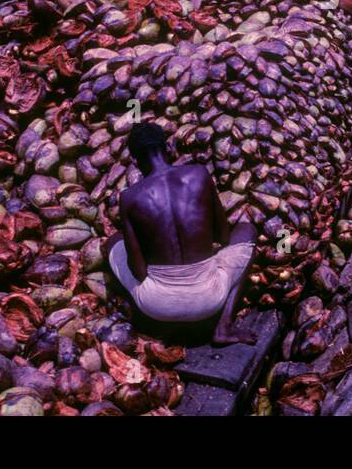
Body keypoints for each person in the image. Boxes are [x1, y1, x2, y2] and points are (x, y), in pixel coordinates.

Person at [104, 122, 257, 345]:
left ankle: (143, 323)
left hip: (157, 305)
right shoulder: (199, 174)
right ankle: (224, 326)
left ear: (135, 161)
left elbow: (138, 272)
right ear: (168, 149)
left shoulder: (129, 197)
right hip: (210, 297)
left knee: (112, 242)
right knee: (248, 231)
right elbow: (223, 237)